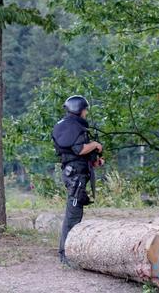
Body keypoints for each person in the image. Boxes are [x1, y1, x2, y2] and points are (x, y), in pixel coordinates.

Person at [52, 95, 104, 265]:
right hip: (75, 176)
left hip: (74, 172)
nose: (86, 112)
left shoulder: (68, 126)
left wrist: (95, 160)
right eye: (85, 109)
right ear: (79, 109)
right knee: (73, 214)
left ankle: (68, 252)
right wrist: (95, 144)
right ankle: (65, 254)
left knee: (76, 210)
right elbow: (79, 149)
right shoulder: (74, 127)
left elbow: (76, 152)